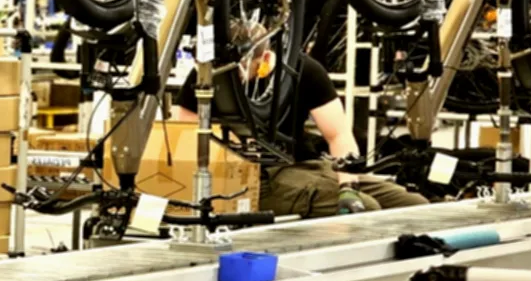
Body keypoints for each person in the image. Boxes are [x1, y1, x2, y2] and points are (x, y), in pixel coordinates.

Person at [173, 21, 428, 219]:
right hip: (253, 177)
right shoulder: (209, 75)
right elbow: (182, 136)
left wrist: (348, 188)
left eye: (244, 66)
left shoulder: (303, 70)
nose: (236, 75)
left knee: (416, 207)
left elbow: (338, 135)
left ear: (264, 59)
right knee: (369, 210)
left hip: (307, 165)